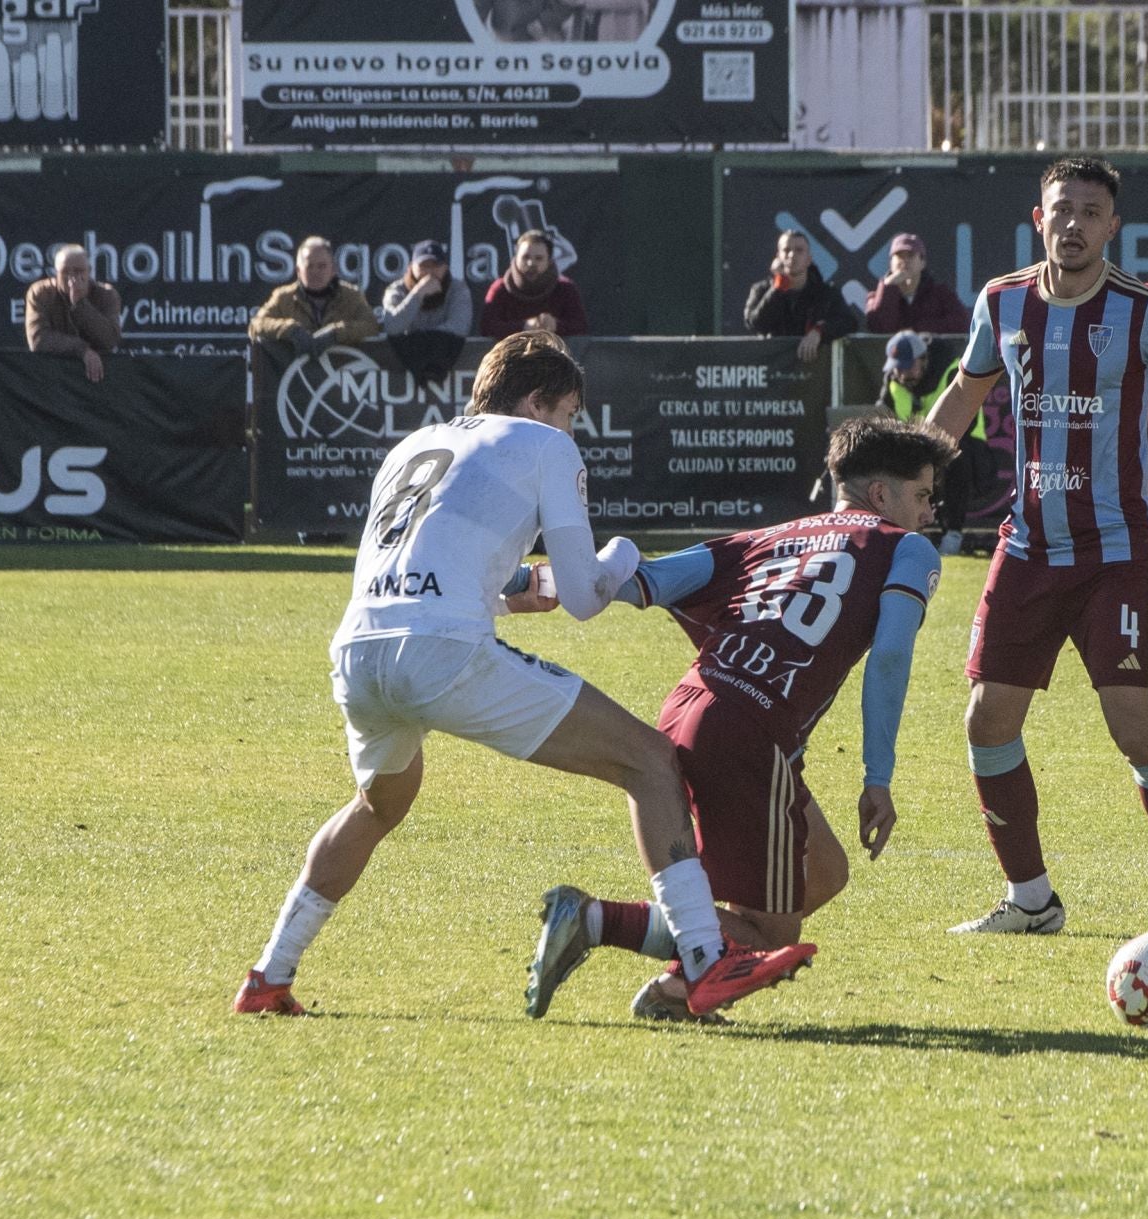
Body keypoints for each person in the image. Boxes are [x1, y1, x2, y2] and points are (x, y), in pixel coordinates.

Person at [231, 332, 814, 1020]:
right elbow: (585, 599)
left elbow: (436, 554)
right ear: (537, 401)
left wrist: (510, 588)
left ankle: (269, 976)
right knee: (651, 762)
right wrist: (622, 555)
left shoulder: (411, 446)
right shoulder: (545, 445)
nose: (572, 429)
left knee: (377, 804)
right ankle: (705, 959)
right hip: (440, 651)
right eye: (568, 411)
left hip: (358, 649)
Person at [525, 415, 952, 1022]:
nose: (929, 511)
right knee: (773, 932)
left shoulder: (767, 535)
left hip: (690, 704)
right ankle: (594, 921)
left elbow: (639, 580)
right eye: (922, 495)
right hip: (749, 730)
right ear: (881, 495)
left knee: (824, 870)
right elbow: (889, 656)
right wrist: (877, 775)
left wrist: (521, 580)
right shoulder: (906, 547)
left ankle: (676, 989)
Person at [922, 155, 1148, 935]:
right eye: (1061, 209)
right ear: (1039, 219)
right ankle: (1031, 900)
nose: (1073, 224)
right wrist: (900, 484)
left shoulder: (1147, 310)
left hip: (1113, 554)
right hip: (1027, 549)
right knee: (986, 723)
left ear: (1113, 227)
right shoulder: (1000, 302)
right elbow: (964, 397)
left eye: (1090, 212)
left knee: (1135, 727)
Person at [879, 330, 986, 555]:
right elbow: (882, 416)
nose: (901, 373)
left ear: (923, 360)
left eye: (907, 366)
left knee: (955, 455)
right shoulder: (893, 381)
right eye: (897, 367)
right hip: (917, 450)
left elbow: (964, 421)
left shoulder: (951, 370)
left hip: (967, 449)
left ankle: (953, 533)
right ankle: (902, 531)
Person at [248, 236, 380, 356]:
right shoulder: (283, 297)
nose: (315, 272)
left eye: (322, 266)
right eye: (309, 266)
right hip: (295, 378)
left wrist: (335, 333)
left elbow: (371, 326)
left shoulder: (351, 296)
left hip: (339, 375)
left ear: (333, 269)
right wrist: (291, 330)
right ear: (298, 271)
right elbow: (256, 325)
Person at [744, 230, 859, 363]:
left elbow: (849, 322)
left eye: (799, 250)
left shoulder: (826, 293)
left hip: (815, 368)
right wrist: (778, 287)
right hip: (775, 368)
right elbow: (755, 324)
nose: (792, 255)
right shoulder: (761, 290)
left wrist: (819, 331)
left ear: (809, 259)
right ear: (778, 257)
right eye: (786, 250)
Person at [25, 245, 122, 384]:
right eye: (65, 272)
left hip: (95, 379)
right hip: (51, 378)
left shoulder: (107, 295)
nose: (72, 277)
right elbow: (38, 339)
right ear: (56, 273)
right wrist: (83, 350)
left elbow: (109, 340)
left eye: (78, 271)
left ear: (89, 271)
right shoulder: (40, 293)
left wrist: (80, 303)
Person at [381, 239, 473, 384]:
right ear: (411, 267)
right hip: (407, 366)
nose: (430, 272)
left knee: (446, 339)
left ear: (445, 268)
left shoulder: (457, 289)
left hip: (446, 361)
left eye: (436, 265)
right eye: (424, 266)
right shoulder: (397, 290)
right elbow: (392, 326)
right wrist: (418, 293)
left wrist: (423, 337)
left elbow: (459, 327)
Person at [480, 230, 589, 340]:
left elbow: (581, 327)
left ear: (549, 261)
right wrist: (524, 327)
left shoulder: (565, 289)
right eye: (525, 257)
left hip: (553, 355)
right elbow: (487, 327)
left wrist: (555, 325)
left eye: (539, 258)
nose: (531, 263)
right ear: (516, 258)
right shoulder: (500, 288)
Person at [862, 232, 971, 337]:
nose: (904, 261)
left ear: (922, 262)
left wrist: (915, 330)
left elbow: (962, 324)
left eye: (910, 255)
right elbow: (879, 329)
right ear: (890, 263)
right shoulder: (875, 298)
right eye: (899, 256)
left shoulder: (941, 294)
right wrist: (888, 287)